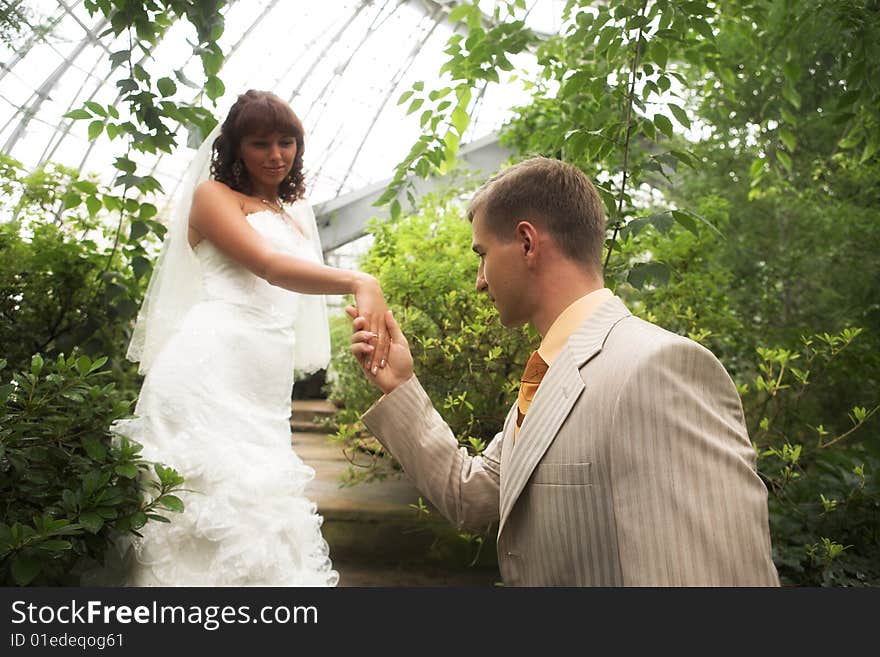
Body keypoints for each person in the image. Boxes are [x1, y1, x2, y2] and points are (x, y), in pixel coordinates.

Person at [349, 157, 779, 586]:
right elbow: (471, 494)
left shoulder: (656, 369)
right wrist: (400, 384)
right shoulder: (548, 374)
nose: (480, 280)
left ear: (527, 243)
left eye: (482, 254)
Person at [110, 90, 389, 586]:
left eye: (287, 142)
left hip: (263, 381)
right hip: (206, 371)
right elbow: (269, 267)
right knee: (203, 513)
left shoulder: (292, 209)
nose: (277, 155)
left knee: (263, 514)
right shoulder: (212, 197)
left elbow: (297, 290)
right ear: (235, 148)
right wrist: (360, 281)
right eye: (261, 143)